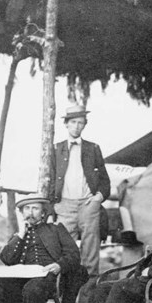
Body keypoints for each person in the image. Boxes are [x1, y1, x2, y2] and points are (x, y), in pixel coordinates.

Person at [49, 104, 111, 280]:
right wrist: (52, 206)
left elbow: (104, 180)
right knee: (63, 249)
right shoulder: (56, 149)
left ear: (85, 125)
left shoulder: (93, 148)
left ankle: (88, 290)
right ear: (66, 124)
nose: (77, 126)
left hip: (88, 204)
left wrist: (98, 198)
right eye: (73, 122)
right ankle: (63, 289)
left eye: (81, 123)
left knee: (90, 249)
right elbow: (50, 179)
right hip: (64, 205)